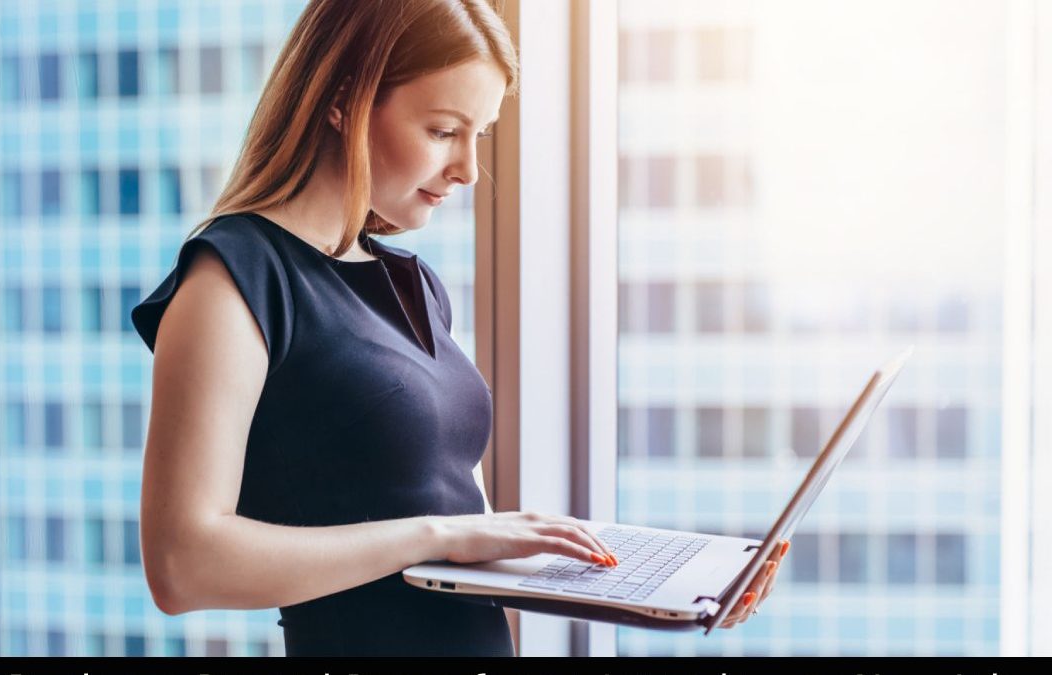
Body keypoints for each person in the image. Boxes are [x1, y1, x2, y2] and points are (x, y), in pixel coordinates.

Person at [130, 0, 782, 657]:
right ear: (343, 100)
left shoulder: (416, 286)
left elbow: (454, 548)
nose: (469, 169)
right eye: (445, 130)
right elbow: (182, 564)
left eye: (481, 135)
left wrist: (657, 594)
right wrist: (437, 535)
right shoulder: (233, 279)